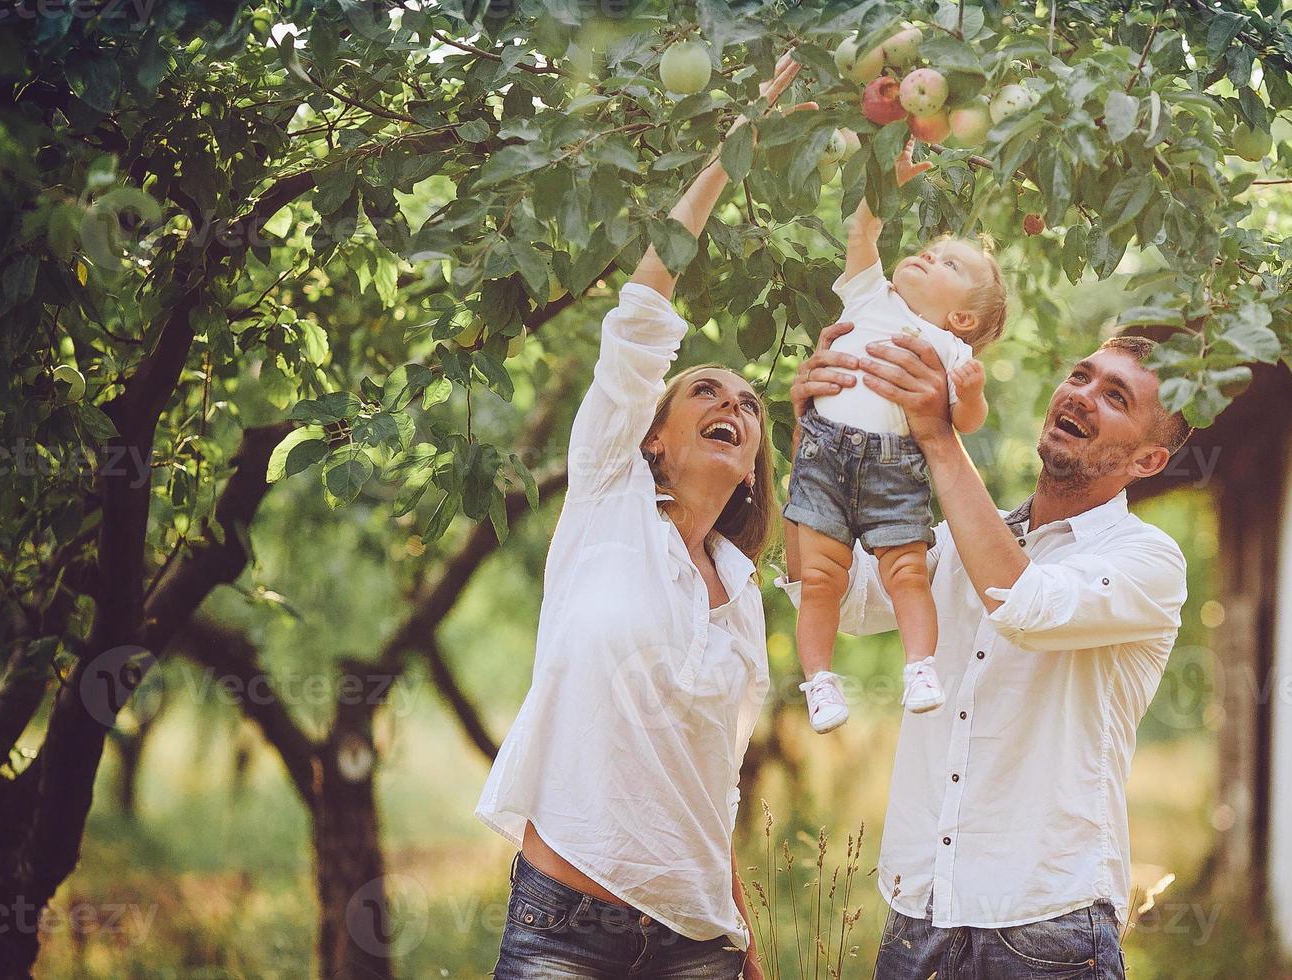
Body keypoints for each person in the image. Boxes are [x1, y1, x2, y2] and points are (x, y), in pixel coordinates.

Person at [476, 56, 809, 980]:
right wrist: (744, 132)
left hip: (697, 940)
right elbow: (644, 312)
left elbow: (712, 784)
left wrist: (740, 935)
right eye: (707, 390)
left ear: (749, 471)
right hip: (562, 929)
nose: (735, 408)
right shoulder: (606, 504)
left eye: (748, 410)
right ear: (653, 437)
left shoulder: (742, 595)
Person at [780, 327, 1191, 979]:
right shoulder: (959, 538)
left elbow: (1021, 602)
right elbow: (834, 592)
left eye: (1116, 396)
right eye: (1080, 376)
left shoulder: (1148, 560)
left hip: (1049, 926)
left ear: (1147, 461)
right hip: (919, 913)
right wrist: (815, 439)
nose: (1082, 395)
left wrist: (939, 437)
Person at [786, 138, 1006, 734]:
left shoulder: (949, 349)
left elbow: (964, 422)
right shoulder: (868, 294)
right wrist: (885, 180)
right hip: (823, 453)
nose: (930, 258)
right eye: (932, 251)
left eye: (950, 266)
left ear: (960, 318)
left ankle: (920, 666)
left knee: (907, 570)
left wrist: (975, 391)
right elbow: (862, 232)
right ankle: (820, 684)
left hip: (893, 465)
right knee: (819, 577)